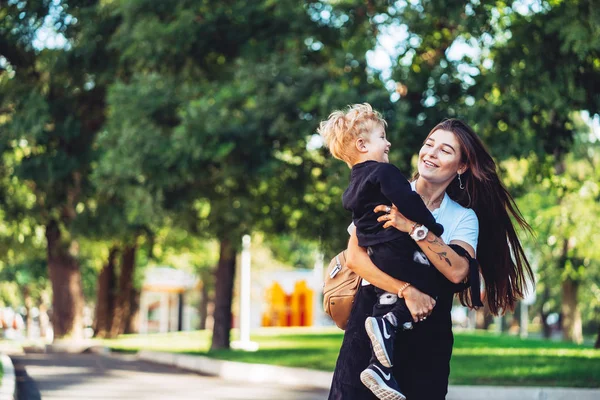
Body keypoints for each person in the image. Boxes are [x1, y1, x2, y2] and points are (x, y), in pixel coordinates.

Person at [327, 118, 534, 400]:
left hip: (426, 343)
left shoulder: (462, 217)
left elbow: (459, 272)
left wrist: (413, 227)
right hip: (369, 329)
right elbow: (355, 258)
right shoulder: (386, 187)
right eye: (429, 144)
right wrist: (406, 291)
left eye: (445, 150)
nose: (431, 153)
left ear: (461, 166)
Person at [318, 104, 453, 399]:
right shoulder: (386, 173)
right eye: (382, 136)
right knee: (427, 281)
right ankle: (386, 323)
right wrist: (431, 227)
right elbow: (409, 203)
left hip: (378, 258)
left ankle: (381, 367)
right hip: (394, 252)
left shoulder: (353, 185)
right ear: (363, 144)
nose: (388, 142)